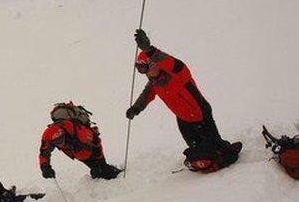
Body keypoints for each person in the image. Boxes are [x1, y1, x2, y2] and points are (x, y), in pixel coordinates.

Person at [126, 29, 242, 173]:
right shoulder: (154, 83)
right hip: (183, 118)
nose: (143, 73)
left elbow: (171, 62)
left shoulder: (178, 73)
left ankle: (220, 154)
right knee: (196, 147)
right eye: (139, 69)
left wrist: (150, 51)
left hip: (200, 114)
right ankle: (203, 161)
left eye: (143, 68)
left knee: (214, 146)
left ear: (154, 64)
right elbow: (146, 95)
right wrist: (135, 109)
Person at [39, 102, 122, 180]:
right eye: (56, 142)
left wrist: (100, 157)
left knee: (103, 169)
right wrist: (45, 167)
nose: (60, 143)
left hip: (90, 151)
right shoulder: (48, 136)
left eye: (61, 139)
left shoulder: (80, 133)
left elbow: (96, 141)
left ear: (63, 133)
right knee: (97, 170)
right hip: (78, 153)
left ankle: (119, 177)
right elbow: (44, 153)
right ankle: (105, 175)